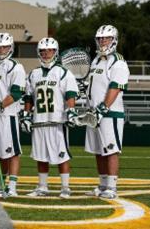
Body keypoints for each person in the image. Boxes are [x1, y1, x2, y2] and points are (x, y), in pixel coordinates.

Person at [22, 37, 79, 199]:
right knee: (40, 156)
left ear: (56, 52)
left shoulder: (63, 72)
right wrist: (26, 115)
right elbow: (28, 97)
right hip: (39, 120)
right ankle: (42, 187)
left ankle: (65, 187)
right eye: (43, 51)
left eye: (49, 50)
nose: (46, 53)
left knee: (61, 156)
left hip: (56, 120)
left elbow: (70, 94)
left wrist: (71, 110)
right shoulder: (34, 74)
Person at [85, 25, 130, 199]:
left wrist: (103, 108)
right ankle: (103, 185)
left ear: (114, 40)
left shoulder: (118, 61)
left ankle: (111, 187)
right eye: (100, 38)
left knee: (110, 150)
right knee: (98, 150)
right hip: (94, 113)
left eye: (106, 38)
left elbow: (115, 87)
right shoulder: (96, 60)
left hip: (110, 113)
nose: (103, 41)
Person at [0, 32, 26, 197]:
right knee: (1, 152)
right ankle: (1, 183)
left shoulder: (16, 67)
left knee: (13, 152)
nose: (1, 49)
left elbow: (16, 93)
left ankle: (12, 187)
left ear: (11, 47)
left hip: (8, 115)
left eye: (4, 46)